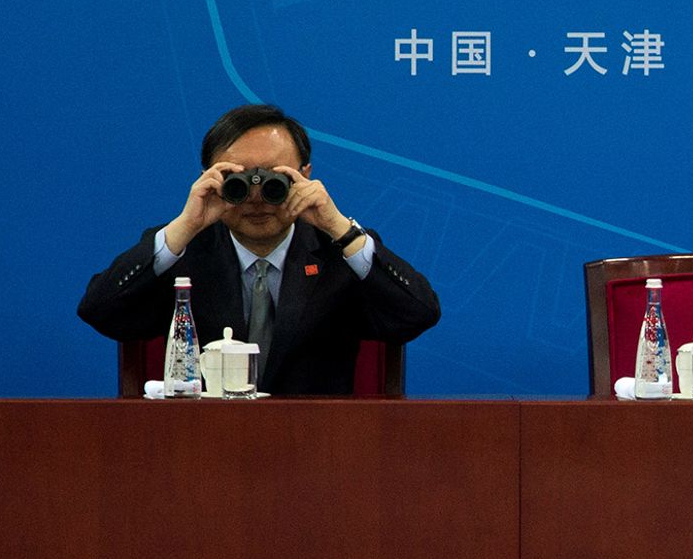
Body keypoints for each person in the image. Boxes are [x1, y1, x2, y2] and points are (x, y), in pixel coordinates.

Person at [78, 104, 440, 395]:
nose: (256, 197)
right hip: (200, 453)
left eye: (274, 181)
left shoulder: (339, 252)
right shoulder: (183, 251)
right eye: (238, 180)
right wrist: (184, 226)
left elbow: (418, 314)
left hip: (318, 452)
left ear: (306, 176)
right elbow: (100, 311)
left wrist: (340, 229)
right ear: (210, 178)